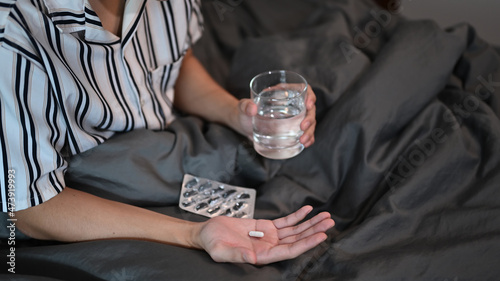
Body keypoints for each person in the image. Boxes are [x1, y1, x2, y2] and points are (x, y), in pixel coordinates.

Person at [0, 0, 334, 264]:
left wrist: (236, 114)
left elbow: (165, 63)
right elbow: (30, 208)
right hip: (78, 187)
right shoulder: (13, 32)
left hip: (167, 138)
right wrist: (194, 234)